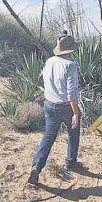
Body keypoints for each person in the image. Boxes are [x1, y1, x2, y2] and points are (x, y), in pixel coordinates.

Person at [28, 31, 82, 185]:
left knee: (49, 136)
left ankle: (37, 166)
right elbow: (72, 93)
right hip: (66, 107)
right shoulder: (70, 66)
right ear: (71, 50)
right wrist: (75, 113)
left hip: (49, 105)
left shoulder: (49, 61)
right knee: (73, 132)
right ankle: (71, 162)